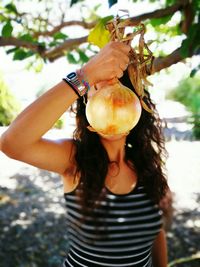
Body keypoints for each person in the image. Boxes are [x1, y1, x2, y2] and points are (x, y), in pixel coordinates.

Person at [1, 41, 169, 267]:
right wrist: (84, 75)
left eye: (118, 90)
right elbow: (12, 143)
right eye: (97, 89)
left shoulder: (146, 164)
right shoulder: (74, 159)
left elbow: (155, 232)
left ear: (137, 105)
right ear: (86, 105)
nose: (108, 98)